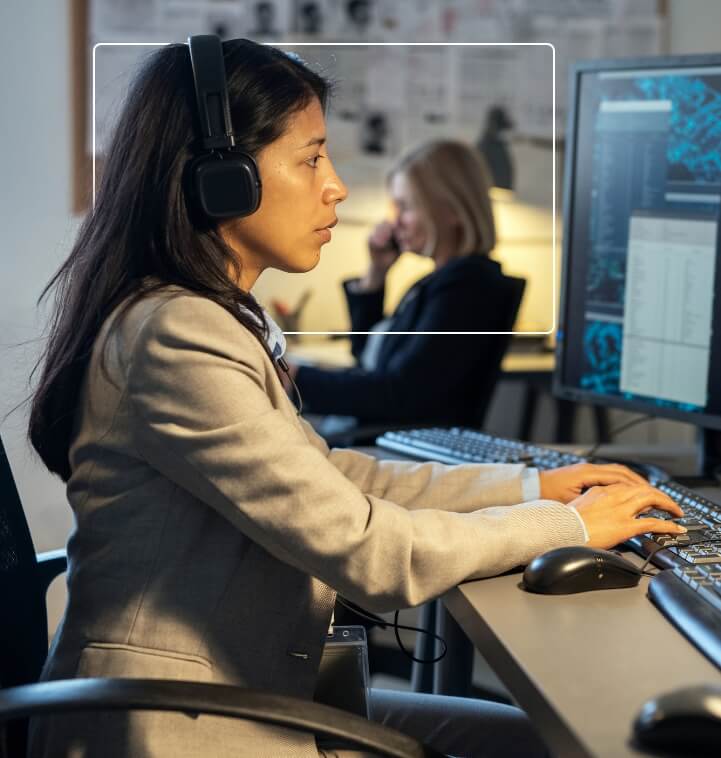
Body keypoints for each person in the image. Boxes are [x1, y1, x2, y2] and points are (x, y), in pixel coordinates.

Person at [26, 37, 686, 758]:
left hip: (240, 696)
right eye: (311, 158)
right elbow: (369, 551)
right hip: (174, 726)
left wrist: (538, 485)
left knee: (533, 741)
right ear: (223, 178)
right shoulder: (177, 334)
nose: (335, 185)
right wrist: (568, 529)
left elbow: (337, 479)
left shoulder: (199, 317)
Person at [288, 139, 518, 437]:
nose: (394, 223)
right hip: (381, 430)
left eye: (405, 207)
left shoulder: (467, 288)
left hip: (398, 439)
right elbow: (367, 357)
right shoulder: (438, 282)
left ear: (451, 210)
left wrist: (296, 380)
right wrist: (377, 272)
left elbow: (400, 394)